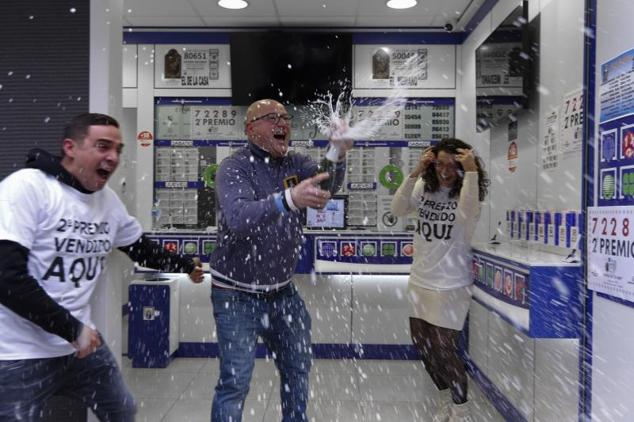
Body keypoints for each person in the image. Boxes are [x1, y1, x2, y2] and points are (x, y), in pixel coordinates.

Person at [0, 113, 204, 421]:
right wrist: (71, 329)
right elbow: (6, 278)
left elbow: (142, 251)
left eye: (118, 150)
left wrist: (185, 265)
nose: (112, 157)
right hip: (19, 353)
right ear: (70, 147)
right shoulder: (27, 188)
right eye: (103, 146)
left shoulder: (107, 201)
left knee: (121, 411)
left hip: (80, 349)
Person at [209, 99, 351, 422]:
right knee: (235, 381)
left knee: (297, 369)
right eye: (272, 117)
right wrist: (288, 200)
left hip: (283, 293)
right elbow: (239, 217)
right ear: (250, 129)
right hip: (235, 294)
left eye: (286, 117)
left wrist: (337, 153)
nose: (283, 123)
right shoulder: (234, 167)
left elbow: (324, 188)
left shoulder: (294, 162)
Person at [391, 138, 489, 422]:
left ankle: (461, 410)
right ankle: (446, 398)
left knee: (445, 349)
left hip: (451, 284)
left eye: (452, 165)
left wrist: (470, 172)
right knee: (423, 345)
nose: (445, 171)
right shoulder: (424, 188)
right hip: (421, 279)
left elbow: (467, 214)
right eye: (439, 164)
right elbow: (398, 209)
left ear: (462, 166)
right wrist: (415, 172)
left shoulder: (467, 193)